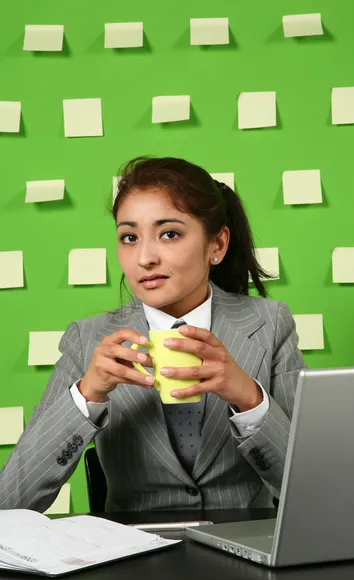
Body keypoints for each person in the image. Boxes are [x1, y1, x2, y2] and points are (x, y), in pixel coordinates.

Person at [0, 156, 305, 512]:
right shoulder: (87, 340)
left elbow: (315, 490)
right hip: (133, 559)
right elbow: (11, 503)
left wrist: (250, 399)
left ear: (217, 245)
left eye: (169, 234)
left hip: (247, 552)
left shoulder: (270, 324)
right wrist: (87, 395)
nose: (144, 258)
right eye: (129, 237)